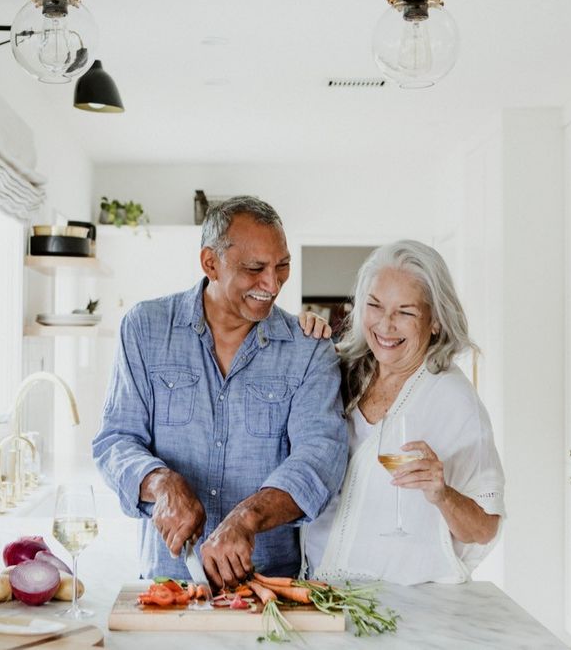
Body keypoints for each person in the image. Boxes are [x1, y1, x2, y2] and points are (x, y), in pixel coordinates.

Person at [92, 196, 348, 587]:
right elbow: (115, 440)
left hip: (269, 586)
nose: (273, 284)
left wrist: (247, 518)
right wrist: (161, 483)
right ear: (210, 263)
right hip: (167, 582)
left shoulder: (309, 348)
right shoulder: (145, 328)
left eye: (282, 266)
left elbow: (319, 458)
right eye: (254, 269)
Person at [301, 240, 504, 585]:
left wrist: (442, 494)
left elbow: (484, 528)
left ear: (435, 321)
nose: (385, 324)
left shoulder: (453, 399)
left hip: (400, 605)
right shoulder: (340, 370)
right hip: (317, 589)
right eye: (375, 306)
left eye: (405, 312)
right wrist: (299, 336)